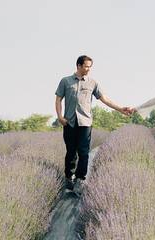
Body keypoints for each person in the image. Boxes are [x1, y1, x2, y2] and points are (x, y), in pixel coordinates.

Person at [55, 54, 131, 192]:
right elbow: (58, 99)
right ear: (78, 66)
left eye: (90, 67)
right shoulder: (65, 81)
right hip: (69, 122)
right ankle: (68, 177)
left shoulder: (92, 83)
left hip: (85, 122)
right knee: (71, 152)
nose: (89, 69)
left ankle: (80, 179)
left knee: (84, 152)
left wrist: (120, 109)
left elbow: (104, 99)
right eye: (86, 66)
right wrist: (60, 117)